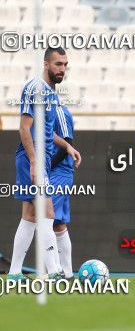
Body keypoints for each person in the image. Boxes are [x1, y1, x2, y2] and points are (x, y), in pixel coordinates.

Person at [8, 47, 81, 282]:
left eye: (65, 64)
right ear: (46, 64)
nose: (63, 69)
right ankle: (56, 272)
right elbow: (24, 128)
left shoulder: (51, 93)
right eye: (58, 64)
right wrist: (33, 162)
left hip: (43, 158)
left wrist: (67, 146)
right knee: (47, 212)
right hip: (33, 158)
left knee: (30, 215)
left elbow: (47, 132)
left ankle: (14, 273)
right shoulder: (35, 89)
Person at [50, 103, 75, 279]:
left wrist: (47, 167)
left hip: (58, 172)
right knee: (57, 223)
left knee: (45, 220)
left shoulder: (59, 110)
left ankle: (56, 272)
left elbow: (68, 143)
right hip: (55, 173)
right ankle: (66, 273)